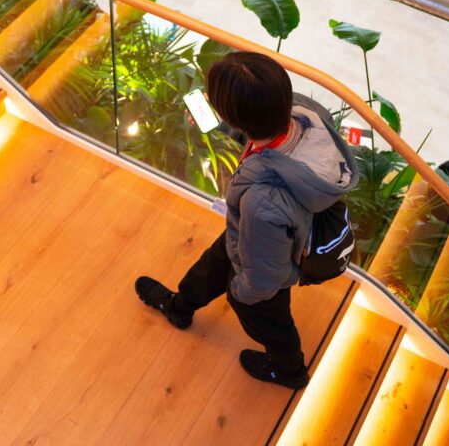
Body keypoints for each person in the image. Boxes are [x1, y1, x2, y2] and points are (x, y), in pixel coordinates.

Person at [135, 52, 358, 389]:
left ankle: (291, 372)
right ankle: (180, 307)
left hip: (264, 267)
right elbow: (262, 138)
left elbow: (264, 280)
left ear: (239, 119)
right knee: (212, 264)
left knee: (270, 322)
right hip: (251, 238)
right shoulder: (305, 118)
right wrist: (220, 121)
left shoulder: (261, 202)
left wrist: (238, 292)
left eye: (217, 105)